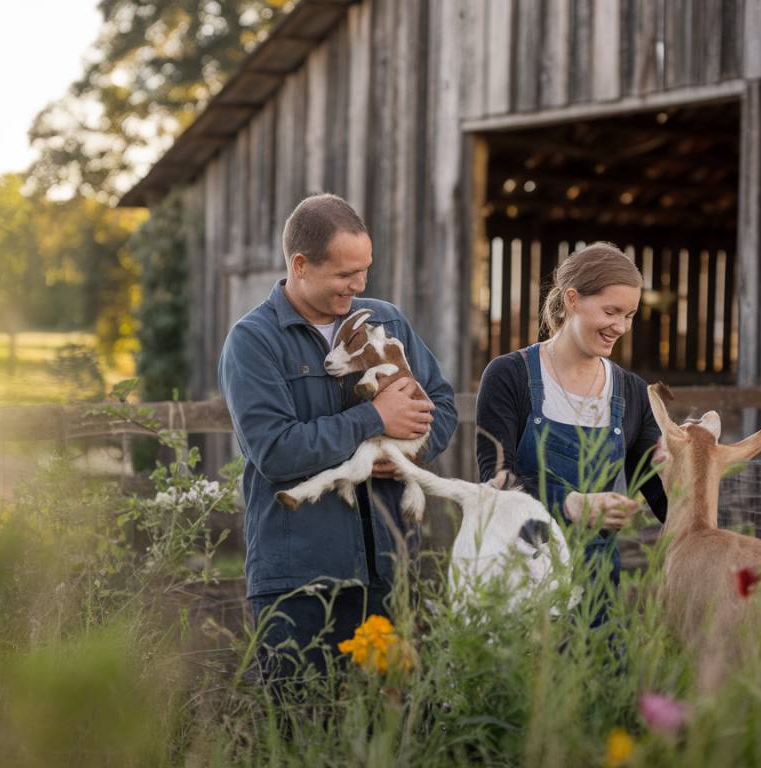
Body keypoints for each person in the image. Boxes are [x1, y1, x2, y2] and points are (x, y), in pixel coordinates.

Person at [218, 193, 457, 686]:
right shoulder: (254, 341)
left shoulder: (385, 320)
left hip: (391, 570)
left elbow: (443, 407)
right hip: (300, 579)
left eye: (365, 270)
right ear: (301, 265)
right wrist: (373, 417)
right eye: (346, 274)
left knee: (391, 727)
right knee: (303, 727)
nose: (360, 284)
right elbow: (276, 451)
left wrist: (407, 454)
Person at [475, 242, 667, 624]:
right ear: (573, 299)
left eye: (629, 315)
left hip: (597, 590)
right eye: (611, 311)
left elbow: (661, 497)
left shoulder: (631, 392)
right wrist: (571, 503)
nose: (621, 327)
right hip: (518, 578)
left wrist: (682, 465)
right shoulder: (509, 376)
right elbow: (495, 482)